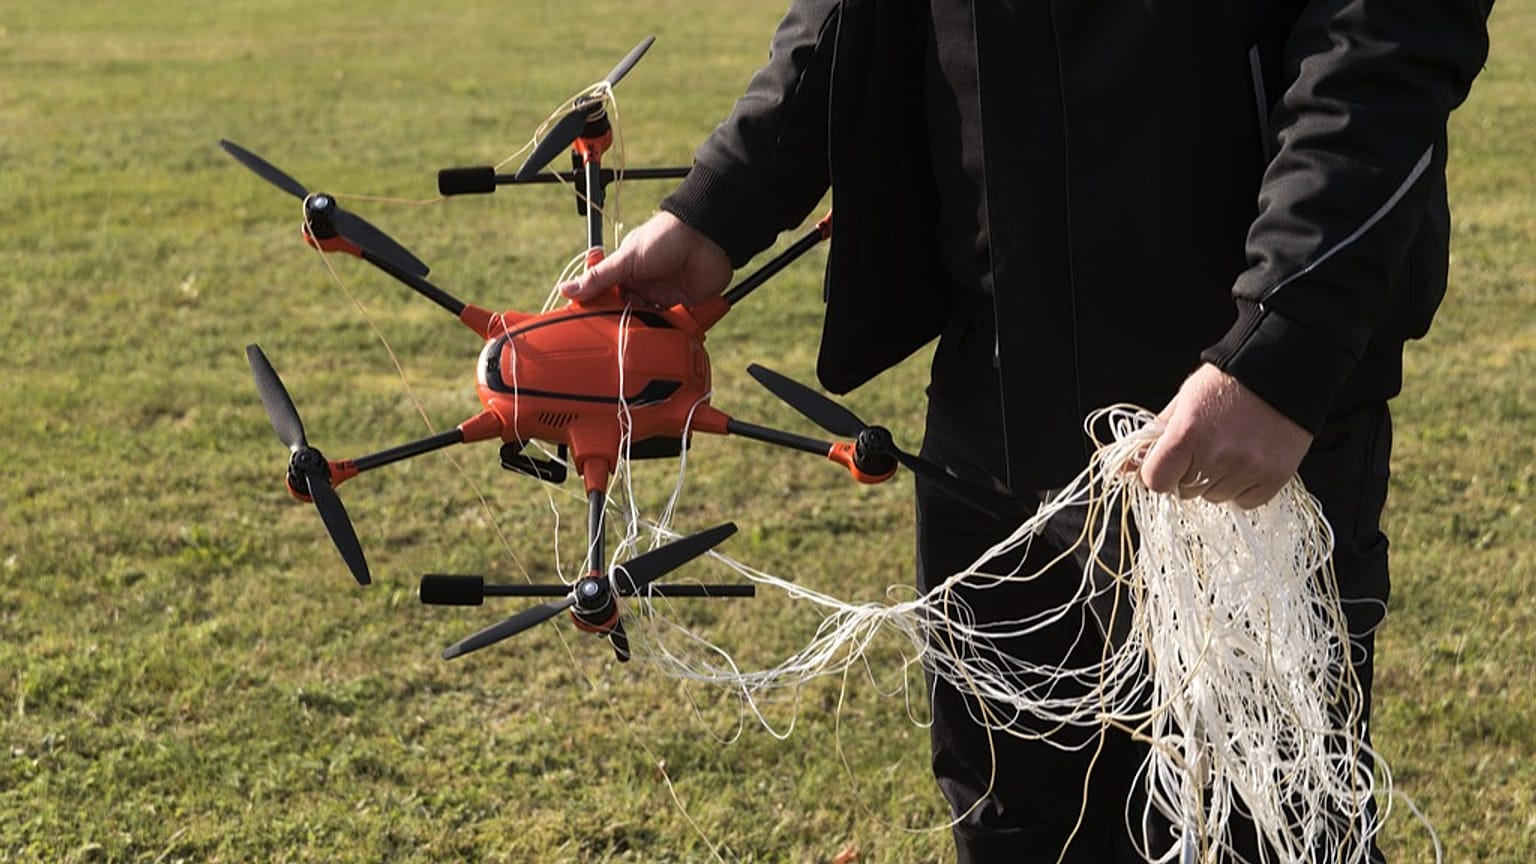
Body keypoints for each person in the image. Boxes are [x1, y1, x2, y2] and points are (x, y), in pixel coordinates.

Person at [560, 2, 1491, 860]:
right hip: (995, 382)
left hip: (1238, 412)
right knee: (1018, 818)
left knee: (1266, 822)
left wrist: (1280, 342)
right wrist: (719, 204)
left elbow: (1387, 27)